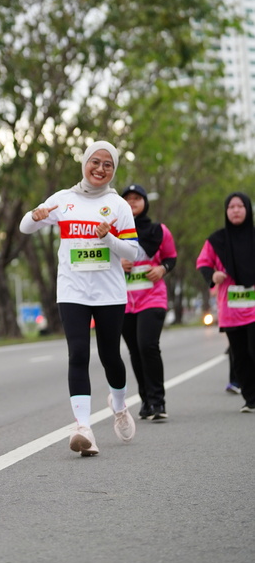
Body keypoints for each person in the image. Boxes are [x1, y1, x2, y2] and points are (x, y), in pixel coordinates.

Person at [19, 141, 138, 456]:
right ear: (85, 163)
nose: (100, 169)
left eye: (108, 165)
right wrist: (35, 214)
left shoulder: (118, 206)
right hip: (72, 291)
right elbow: (25, 227)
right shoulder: (63, 199)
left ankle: (119, 405)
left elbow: (133, 252)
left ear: (113, 170)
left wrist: (108, 237)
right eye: (95, 162)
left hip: (110, 293)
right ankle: (83, 427)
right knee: (78, 354)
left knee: (110, 356)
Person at [120, 184, 177, 422]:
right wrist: (117, 264)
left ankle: (158, 401)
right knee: (135, 350)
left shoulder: (159, 230)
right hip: (123, 301)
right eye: (127, 198)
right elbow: (102, 260)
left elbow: (171, 257)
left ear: (145, 202)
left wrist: (162, 269)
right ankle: (145, 400)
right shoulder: (113, 231)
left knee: (147, 346)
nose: (132, 202)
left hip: (152, 298)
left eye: (137, 198)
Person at [196, 192, 255, 413]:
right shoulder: (216, 240)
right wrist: (213, 275)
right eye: (231, 207)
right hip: (231, 310)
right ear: (226, 211)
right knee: (239, 356)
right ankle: (250, 399)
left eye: (240, 206)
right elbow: (203, 263)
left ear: (248, 209)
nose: (236, 210)